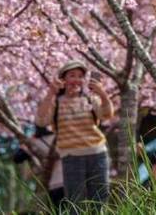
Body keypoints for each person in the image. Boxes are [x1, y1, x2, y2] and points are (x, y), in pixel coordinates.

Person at [35, 60, 114, 211]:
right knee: (75, 202)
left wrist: (102, 93)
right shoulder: (55, 103)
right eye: (72, 75)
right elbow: (41, 121)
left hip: (97, 154)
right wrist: (50, 93)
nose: (77, 79)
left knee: (99, 200)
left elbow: (107, 114)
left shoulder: (90, 99)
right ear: (63, 80)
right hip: (71, 157)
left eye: (80, 76)